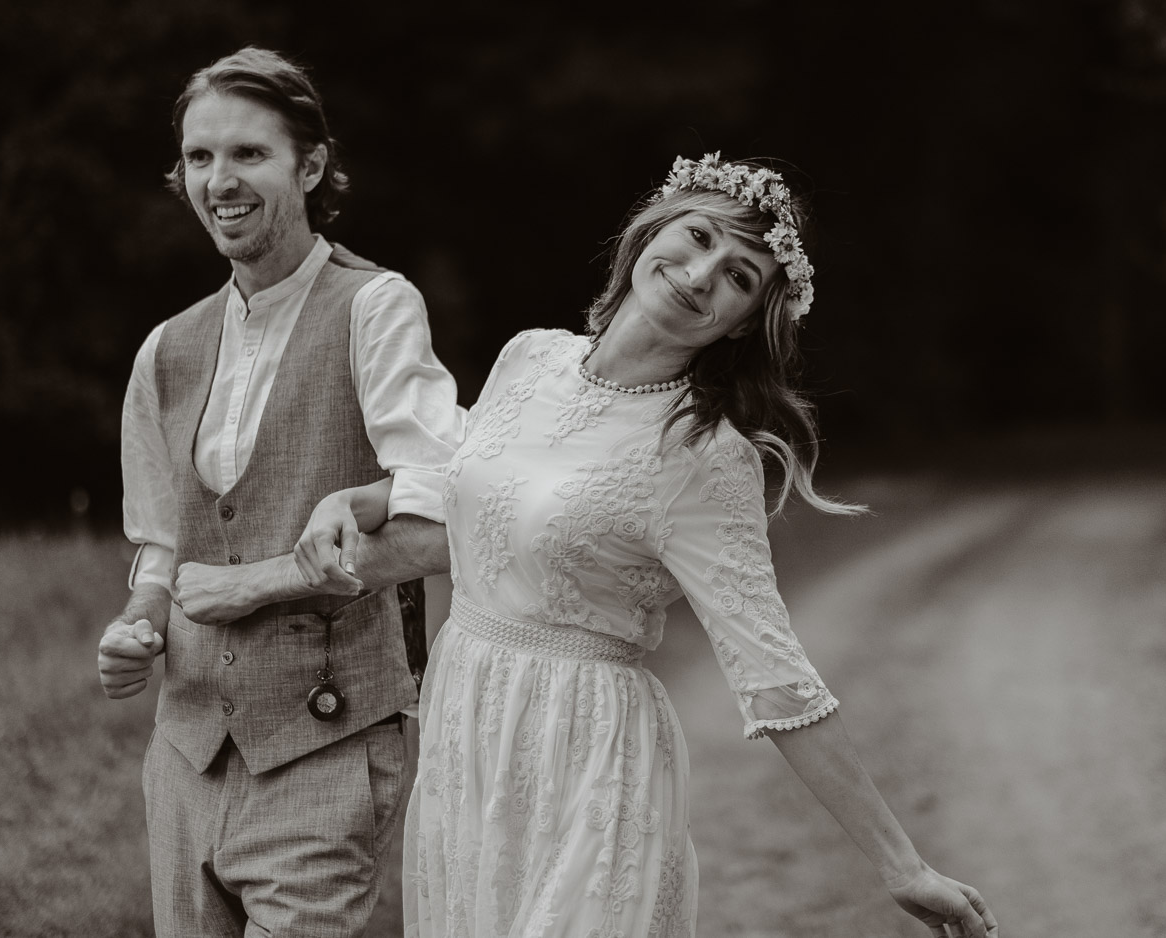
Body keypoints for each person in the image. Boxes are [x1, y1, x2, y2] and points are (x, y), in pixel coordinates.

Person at [296, 153, 999, 937]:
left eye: (738, 277)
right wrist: (349, 501)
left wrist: (903, 865)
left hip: (591, 755)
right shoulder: (527, 357)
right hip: (467, 734)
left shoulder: (708, 456)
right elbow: (473, 493)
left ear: (743, 321)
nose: (701, 274)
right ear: (650, 232)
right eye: (697, 237)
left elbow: (775, 674)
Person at [94, 46, 461, 936]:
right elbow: (162, 542)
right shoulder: (165, 349)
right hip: (182, 754)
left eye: (249, 154)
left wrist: (261, 582)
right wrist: (137, 621)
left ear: (312, 165)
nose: (220, 179)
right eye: (200, 157)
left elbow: (444, 513)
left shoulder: (375, 307)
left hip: (325, 745)